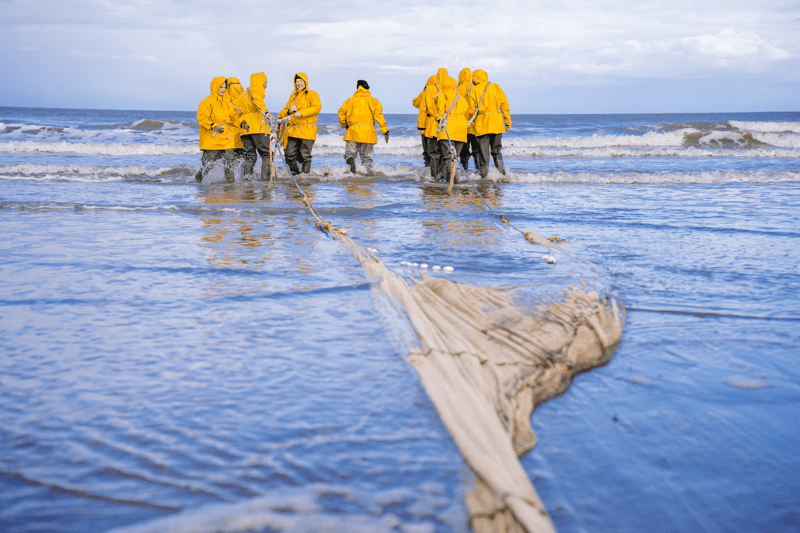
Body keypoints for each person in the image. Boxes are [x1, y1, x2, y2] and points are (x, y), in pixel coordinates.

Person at [467, 70, 512, 178]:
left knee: (483, 152)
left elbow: (471, 110)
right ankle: (502, 174)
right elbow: (504, 105)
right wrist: (507, 121)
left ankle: (484, 176)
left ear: (475, 77)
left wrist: (468, 121)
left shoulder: (474, 90)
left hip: (482, 124)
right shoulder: (496, 87)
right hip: (497, 123)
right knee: (496, 150)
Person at [338, 80, 389, 173]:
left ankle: (352, 167)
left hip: (353, 131)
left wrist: (344, 124)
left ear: (357, 88)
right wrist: (384, 130)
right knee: (366, 157)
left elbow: (341, 113)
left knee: (349, 155)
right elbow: (379, 116)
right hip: (368, 132)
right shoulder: (373, 100)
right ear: (367, 88)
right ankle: (366, 175)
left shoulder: (349, 100)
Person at [196, 76, 237, 183]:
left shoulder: (228, 103)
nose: (223, 89)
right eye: (221, 87)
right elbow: (202, 118)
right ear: (215, 87)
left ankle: (229, 183)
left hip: (226, 140)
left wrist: (242, 123)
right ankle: (198, 180)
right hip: (212, 140)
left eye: (224, 87)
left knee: (229, 162)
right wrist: (213, 126)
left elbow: (234, 118)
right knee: (208, 164)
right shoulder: (206, 102)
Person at [278, 73, 321, 175]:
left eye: (301, 81)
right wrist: (289, 110)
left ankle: (305, 177)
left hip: (307, 130)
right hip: (293, 130)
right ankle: (296, 176)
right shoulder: (293, 96)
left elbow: (317, 108)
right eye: (297, 81)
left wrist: (302, 113)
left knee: (305, 156)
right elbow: (285, 110)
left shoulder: (313, 94)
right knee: (289, 154)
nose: (299, 83)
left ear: (305, 82)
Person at [236, 72, 274, 181]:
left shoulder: (243, 94)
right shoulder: (257, 88)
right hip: (258, 126)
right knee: (267, 154)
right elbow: (257, 99)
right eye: (265, 82)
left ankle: (247, 178)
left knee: (249, 155)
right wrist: (266, 112)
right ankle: (266, 179)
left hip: (245, 129)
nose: (266, 85)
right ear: (261, 81)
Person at [435, 76, 469, 183]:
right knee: (455, 157)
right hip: (461, 129)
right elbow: (467, 109)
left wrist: (438, 119)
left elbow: (440, 112)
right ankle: (453, 179)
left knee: (448, 157)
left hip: (448, 128)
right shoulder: (461, 98)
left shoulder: (442, 96)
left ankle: (454, 181)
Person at [424, 68, 448, 178]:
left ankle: (434, 176)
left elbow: (422, 109)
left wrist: (421, 126)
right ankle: (443, 175)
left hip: (432, 125)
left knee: (433, 153)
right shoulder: (451, 89)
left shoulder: (429, 89)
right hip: (446, 125)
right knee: (444, 153)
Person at [456, 68, 480, 171]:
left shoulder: (457, 89)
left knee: (464, 151)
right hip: (474, 123)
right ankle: (478, 169)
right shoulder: (475, 88)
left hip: (462, 124)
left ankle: (464, 169)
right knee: (476, 149)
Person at [412, 76, 436, 167]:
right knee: (437, 151)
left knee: (427, 151)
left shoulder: (424, 93)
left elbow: (415, 103)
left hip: (426, 126)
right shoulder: (441, 92)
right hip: (438, 126)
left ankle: (428, 168)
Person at [225, 77, 246, 165]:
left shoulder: (244, 99)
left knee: (240, 160)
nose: (234, 87)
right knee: (230, 160)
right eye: (232, 85)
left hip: (241, 136)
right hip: (229, 136)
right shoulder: (224, 100)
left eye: (237, 85)